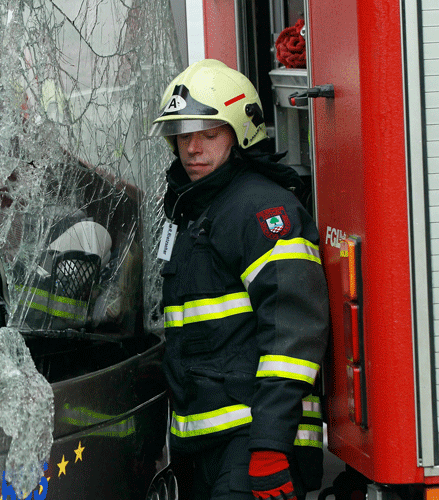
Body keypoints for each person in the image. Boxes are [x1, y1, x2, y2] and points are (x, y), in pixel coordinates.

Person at [148, 59, 329, 500]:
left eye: (209, 134)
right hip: (204, 447)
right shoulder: (190, 211)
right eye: (184, 135)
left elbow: (293, 335)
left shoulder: (262, 212)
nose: (193, 148)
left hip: (254, 443)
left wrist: (269, 445)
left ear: (240, 133)